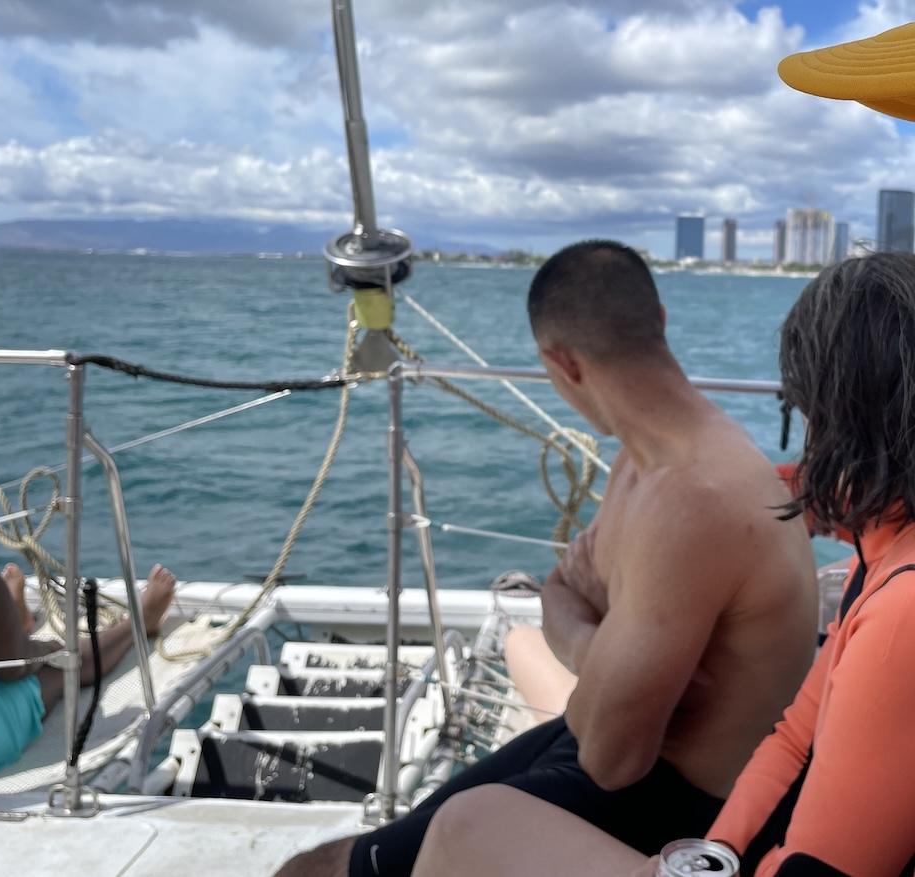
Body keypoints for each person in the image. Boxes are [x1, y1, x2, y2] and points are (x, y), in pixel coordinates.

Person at [276, 240, 816, 877]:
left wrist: (592, 645)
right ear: (661, 319)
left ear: (560, 364)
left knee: (337, 870)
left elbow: (614, 759)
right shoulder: (640, 463)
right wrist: (604, 652)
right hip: (593, 745)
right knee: (334, 859)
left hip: (684, 806)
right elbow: (564, 589)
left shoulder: (696, 501)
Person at [412, 252, 915, 877]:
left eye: (805, 414)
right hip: (732, 835)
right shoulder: (882, 541)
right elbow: (793, 734)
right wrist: (717, 851)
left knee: (469, 826)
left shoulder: (901, 615)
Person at [0, 454, 177, 789]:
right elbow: (11, 668)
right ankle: (141, 622)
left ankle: (13, 617)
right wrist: (49, 647)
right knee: (61, 664)